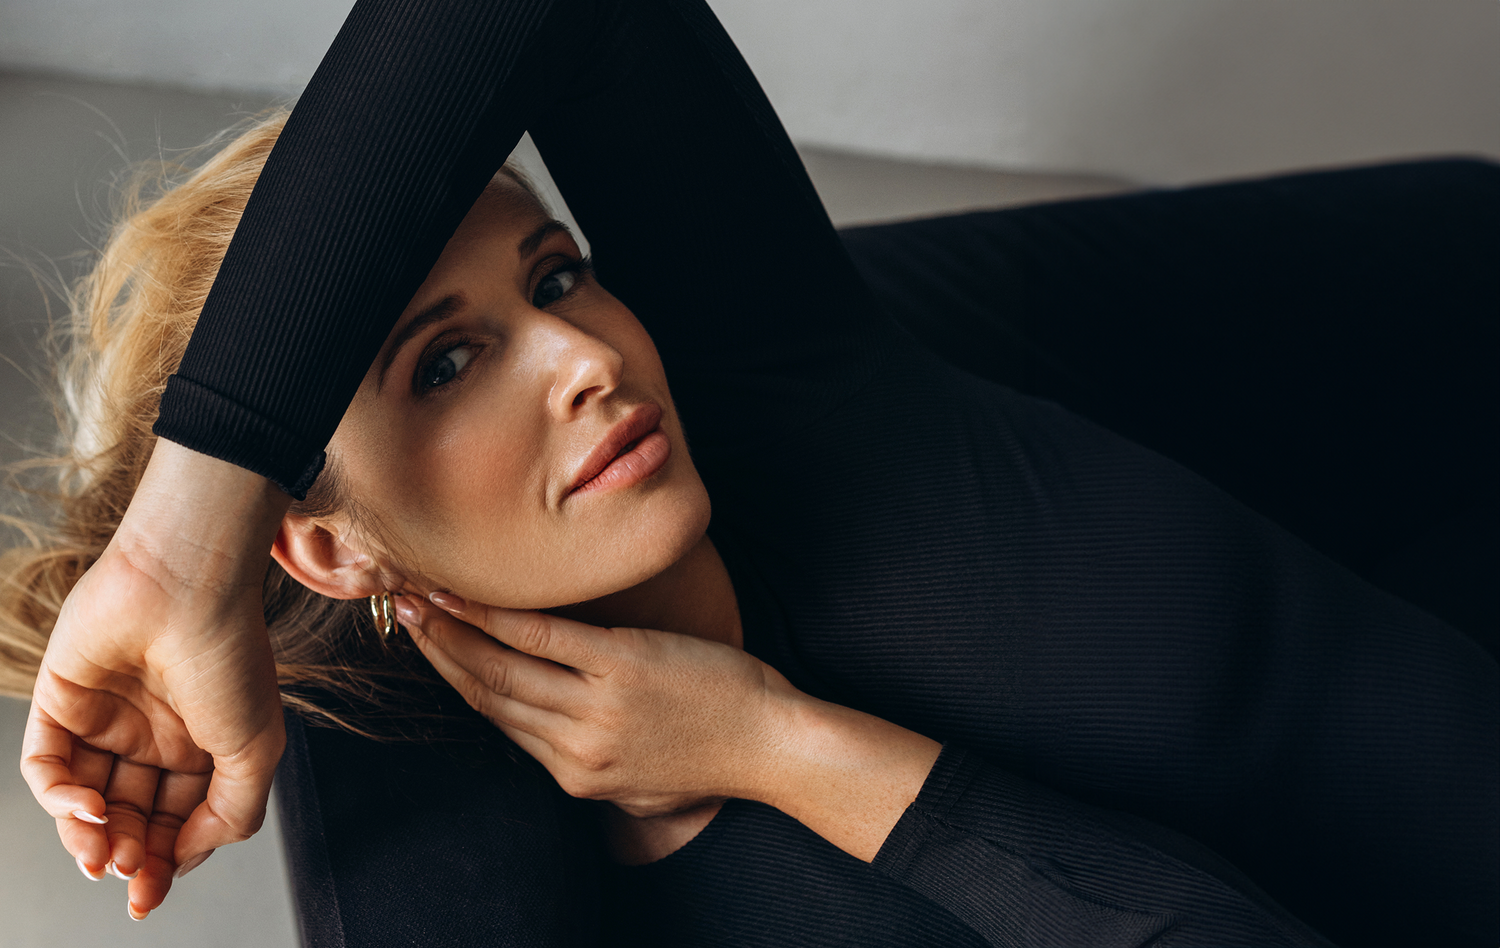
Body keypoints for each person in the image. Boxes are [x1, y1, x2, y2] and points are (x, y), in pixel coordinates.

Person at [3, 0, 1494, 943]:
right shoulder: (479, 845)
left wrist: (178, 535)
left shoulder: (805, 398)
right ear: (322, 553)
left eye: (563, 277)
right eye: (442, 365)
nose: (585, 358)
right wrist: (788, 766)